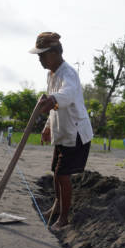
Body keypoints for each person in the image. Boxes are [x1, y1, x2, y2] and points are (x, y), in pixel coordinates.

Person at [29, 32, 94, 230]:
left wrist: (53, 100)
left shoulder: (69, 74)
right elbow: (54, 103)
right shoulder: (51, 75)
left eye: (43, 55)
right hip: (62, 132)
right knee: (56, 173)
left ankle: (64, 218)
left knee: (62, 175)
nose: (40, 59)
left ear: (55, 53)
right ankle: (57, 207)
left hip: (75, 134)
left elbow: (66, 94)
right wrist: (47, 127)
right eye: (39, 55)